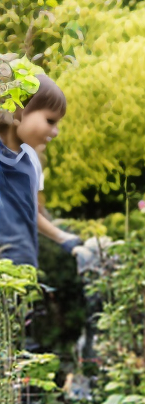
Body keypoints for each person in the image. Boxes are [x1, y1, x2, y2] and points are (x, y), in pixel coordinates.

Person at [0, 72, 79, 267]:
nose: (55, 131)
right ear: (18, 112)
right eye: (50, 121)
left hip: (24, 265)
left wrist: (65, 239)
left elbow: (29, 211)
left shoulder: (31, 161)